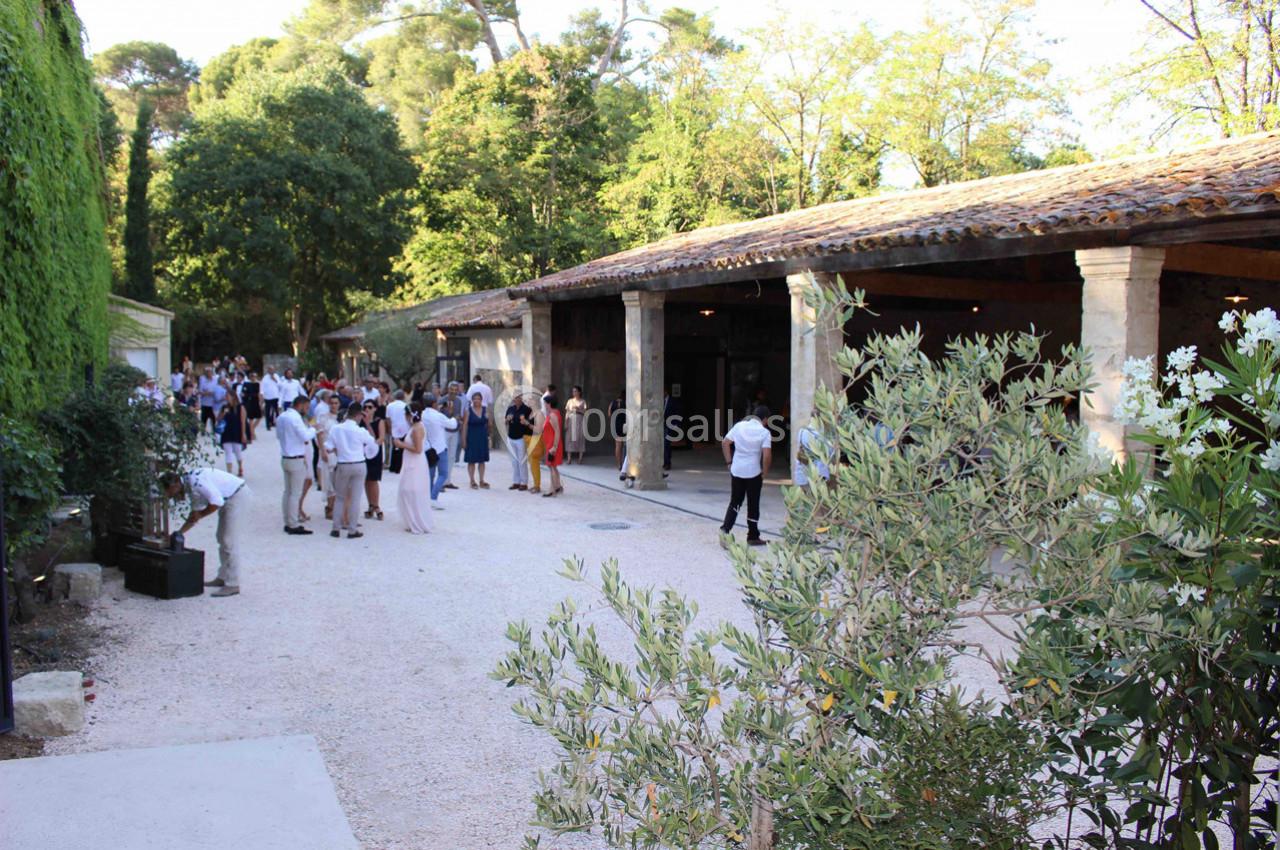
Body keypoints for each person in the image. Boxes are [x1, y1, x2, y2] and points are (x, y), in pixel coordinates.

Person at [160, 468, 249, 598]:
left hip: (237, 495)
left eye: (169, 492)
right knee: (221, 538)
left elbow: (217, 502)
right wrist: (178, 533)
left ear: (175, 485)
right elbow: (194, 516)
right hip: (229, 497)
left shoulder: (196, 483)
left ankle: (233, 584)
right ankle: (223, 577)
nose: (170, 496)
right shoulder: (189, 484)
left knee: (228, 540)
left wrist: (201, 514)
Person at [720, 406, 773, 547]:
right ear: (765, 419)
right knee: (753, 503)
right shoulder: (764, 432)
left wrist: (729, 462)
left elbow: (725, 442)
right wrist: (764, 473)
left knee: (735, 502)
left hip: (737, 470)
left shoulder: (739, 426)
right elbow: (767, 456)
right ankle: (753, 536)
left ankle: (725, 530)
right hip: (753, 472)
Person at [328, 402, 378, 538]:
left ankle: (336, 528)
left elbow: (328, 447)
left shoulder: (336, 429)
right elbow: (372, 442)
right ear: (358, 415)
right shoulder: (360, 430)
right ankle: (352, 529)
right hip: (359, 463)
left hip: (343, 463)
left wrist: (339, 448)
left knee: (340, 497)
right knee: (355, 499)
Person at [277, 394, 316, 535]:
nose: (307, 410)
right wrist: (313, 428)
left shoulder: (282, 417)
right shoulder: (295, 418)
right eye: (306, 407)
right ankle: (293, 523)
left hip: (285, 456)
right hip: (296, 457)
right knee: (295, 493)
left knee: (287, 492)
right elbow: (305, 436)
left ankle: (287, 520)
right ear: (301, 405)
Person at [392, 401, 433, 534]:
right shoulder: (414, 426)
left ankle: (416, 521)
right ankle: (411, 520)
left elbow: (418, 449)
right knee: (407, 490)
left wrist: (401, 444)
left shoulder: (417, 428)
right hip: (411, 461)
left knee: (410, 490)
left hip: (415, 463)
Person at [420, 393, 458, 509]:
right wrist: (453, 417)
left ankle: (428, 498)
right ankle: (433, 497)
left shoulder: (422, 414)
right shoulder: (438, 415)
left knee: (430, 475)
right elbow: (452, 425)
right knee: (443, 474)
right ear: (434, 403)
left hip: (427, 448)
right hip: (440, 448)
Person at [314, 392, 339, 521]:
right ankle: (329, 507)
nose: (334, 405)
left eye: (336, 403)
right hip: (327, 451)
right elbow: (319, 434)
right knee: (328, 479)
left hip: (339, 453)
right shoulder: (324, 417)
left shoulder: (341, 417)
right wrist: (322, 450)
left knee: (338, 480)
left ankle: (337, 507)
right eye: (332, 403)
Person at [361, 399, 387, 520]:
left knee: (373, 479)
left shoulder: (379, 421)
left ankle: (376, 505)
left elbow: (380, 438)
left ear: (375, 409)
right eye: (365, 407)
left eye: (370, 407)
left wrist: (368, 424)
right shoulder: (360, 422)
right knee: (366, 479)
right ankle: (370, 504)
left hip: (375, 452)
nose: (367, 409)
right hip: (364, 453)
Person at [461, 391, 491, 489]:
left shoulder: (485, 410)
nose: (476, 400)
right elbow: (464, 426)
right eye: (474, 399)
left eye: (478, 399)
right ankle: (472, 481)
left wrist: (489, 419)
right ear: (472, 400)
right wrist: (463, 439)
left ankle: (482, 480)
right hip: (471, 437)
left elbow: (489, 425)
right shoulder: (468, 411)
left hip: (482, 437)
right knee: (471, 460)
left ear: (481, 400)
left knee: (482, 460)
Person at [504, 393, 533, 491]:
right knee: (514, 461)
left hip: (521, 438)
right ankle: (516, 482)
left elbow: (531, 422)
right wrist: (507, 420)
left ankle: (524, 483)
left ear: (521, 398)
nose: (516, 399)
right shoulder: (510, 408)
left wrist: (525, 422)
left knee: (522, 461)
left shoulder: (527, 409)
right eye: (515, 397)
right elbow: (505, 421)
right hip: (511, 437)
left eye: (518, 397)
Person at [217, 390, 249, 477]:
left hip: (236, 432)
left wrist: (243, 434)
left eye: (228, 396)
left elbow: (243, 421)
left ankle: (240, 467)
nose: (226, 398)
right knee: (228, 452)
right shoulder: (224, 407)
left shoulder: (240, 407)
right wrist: (223, 414)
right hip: (226, 432)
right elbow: (218, 419)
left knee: (238, 451)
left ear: (233, 397)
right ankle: (229, 472)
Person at [542, 392, 565, 497]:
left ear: (549, 403)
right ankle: (558, 486)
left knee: (551, 466)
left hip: (552, 445)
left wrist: (554, 447)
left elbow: (557, 431)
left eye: (545, 403)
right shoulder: (555, 413)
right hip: (551, 444)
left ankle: (552, 490)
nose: (544, 405)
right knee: (553, 466)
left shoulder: (552, 415)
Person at [443, 382, 464, 487]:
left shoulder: (459, 401)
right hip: (445, 431)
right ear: (448, 389)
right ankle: (442, 480)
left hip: (455, 431)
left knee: (451, 456)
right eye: (452, 389)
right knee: (444, 456)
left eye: (456, 389)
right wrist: (450, 413)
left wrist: (458, 418)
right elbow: (441, 416)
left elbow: (458, 414)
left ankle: (448, 480)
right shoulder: (443, 400)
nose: (454, 391)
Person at [525, 394, 547, 494]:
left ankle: (537, 486)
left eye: (530, 400)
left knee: (535, 463)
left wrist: (528, 424)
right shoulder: (531, 413)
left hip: (536, 440)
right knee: (532, 464)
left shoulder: (539, 414)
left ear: (535, 402)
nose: (528, 402)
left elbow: (539, 429)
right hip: (528, 440)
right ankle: (535, 484)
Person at [386, 390, 410, 474]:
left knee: (395, 447)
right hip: (404, 427)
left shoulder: (389, 406)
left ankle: (393, 466)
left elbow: (388, 418)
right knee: (402, 448)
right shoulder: (406, 405)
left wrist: (390, 427)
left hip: (394, 427)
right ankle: (399, 467)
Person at [565, 386, 587, 463]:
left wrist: (579, 409)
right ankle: (569, 458)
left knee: (580, 437)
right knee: (569, 438)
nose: (574, 393)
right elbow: (567, 412)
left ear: (579, 392)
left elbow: (585, 412)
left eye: (575, 391)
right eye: (573, 391)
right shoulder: (570, 401)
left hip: (579, 420)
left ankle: (580, 458)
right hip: (571, 419)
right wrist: (566, 423)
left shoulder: (583, 401)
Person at [608, 391, 626, 478]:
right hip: (624, 425)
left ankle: (619, 464)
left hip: (615, 425)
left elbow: (609, 414)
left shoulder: (613, 403)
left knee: (618, 446)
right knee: (625, 446)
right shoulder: (626, 403)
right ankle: (625, 465)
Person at [241, 371, 262, 441]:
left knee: (259, 417)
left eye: (255, 376)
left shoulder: (257, 384)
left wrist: (260, 402)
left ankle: (251, 429)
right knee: (251, 418)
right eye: (252, 376)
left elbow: (258, 393)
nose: (253, 378)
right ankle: (252, 434)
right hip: (249, 402)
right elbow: (243, 393)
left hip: (255, 402)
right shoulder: (246, 384)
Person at [198, 367, 219, 431]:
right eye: (207, 372)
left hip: (213, 404)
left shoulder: (215, 380)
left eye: (210, 372)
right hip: (204, 403)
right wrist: (206, 393)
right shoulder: (202, 380)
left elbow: (217, 390)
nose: (208, 373)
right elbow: (200, 391)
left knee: (213, 419)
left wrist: (211, 393)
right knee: (203, 419)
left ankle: (214, 430)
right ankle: (202, 430)